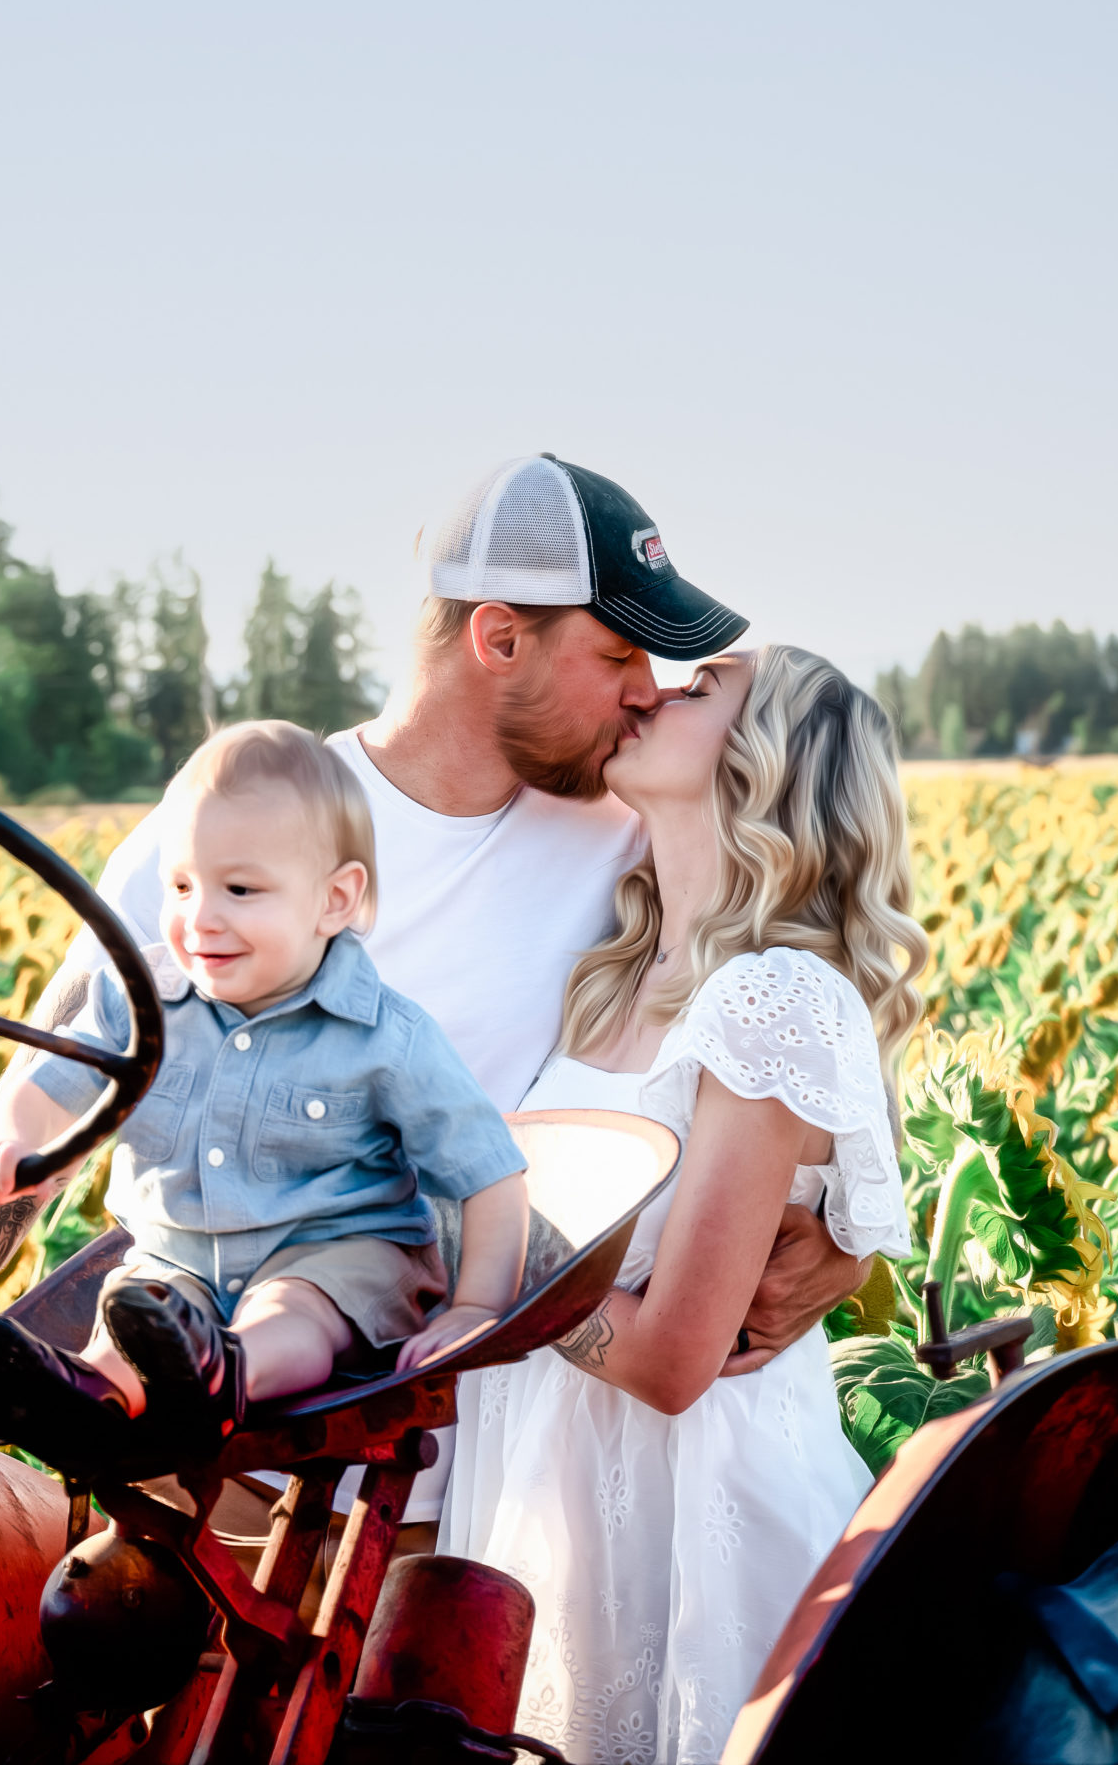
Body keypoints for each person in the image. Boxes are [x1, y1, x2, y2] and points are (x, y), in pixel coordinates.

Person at [0, 457, 871, 1538]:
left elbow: (804, 985)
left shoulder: (628, 824)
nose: (647, 690)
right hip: (220, 1480)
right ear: (497, 639)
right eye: (617, 653)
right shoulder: (245, 822)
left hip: (470, 1481)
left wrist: (849, 1235)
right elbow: (45, 1107)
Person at [441, 645, 926, 1765]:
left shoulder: (772, 995)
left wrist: (482, 1277)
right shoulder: (610, 973)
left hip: (694, 1524)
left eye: (702, 688)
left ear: (767, 765)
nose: (656, 688)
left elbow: (670, 1361)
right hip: (552, 1488)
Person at [0, 722, 529, 1471]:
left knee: (290, 1313)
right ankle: (85, 1396)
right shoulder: (139, 1000)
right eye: (181, 886)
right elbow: (49, 1087)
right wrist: (19, 1145)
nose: (200, 917)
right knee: (130, 1319)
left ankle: (227, 1374)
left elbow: (489, 1172)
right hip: (173, 1261)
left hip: (332, 1255)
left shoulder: (385, 1037)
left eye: (240, 890)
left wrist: (477, 1306)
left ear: (334, 900)